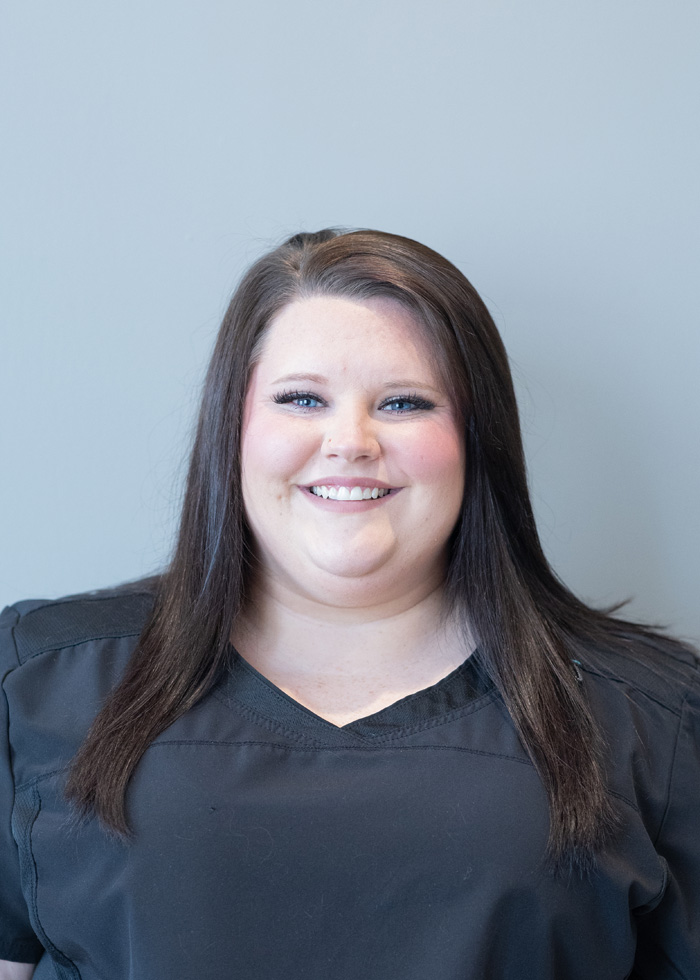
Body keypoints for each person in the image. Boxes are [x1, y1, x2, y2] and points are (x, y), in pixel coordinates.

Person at [0, 228, 698, 980]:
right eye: (302, 399)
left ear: (476, 438)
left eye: (404, 403)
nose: (351, 441)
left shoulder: (654, 717)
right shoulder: (39, 679)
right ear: (233, 425)